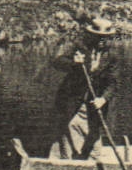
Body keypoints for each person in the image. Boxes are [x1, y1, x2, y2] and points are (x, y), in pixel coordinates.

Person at [50, 15, 119, 159]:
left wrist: (103, 99)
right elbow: (57, 61)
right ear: (91, 35)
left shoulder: (112, 55)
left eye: (105, 37)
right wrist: (74, 63)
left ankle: (91, 165)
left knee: (93, 137)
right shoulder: (78, 47)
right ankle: (68, 163)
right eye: (98, 36)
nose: (102, 40)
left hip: (95, 103)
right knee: (70, 131)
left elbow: (113, 82)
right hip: (73, 101)